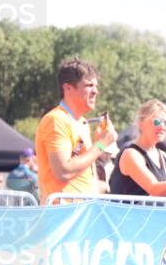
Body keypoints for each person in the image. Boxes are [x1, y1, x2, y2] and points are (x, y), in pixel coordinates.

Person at [35, 58, 116, 204]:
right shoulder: (56, 120)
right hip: (63, 212)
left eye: (96, 86)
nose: (95, 91)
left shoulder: (82, 123)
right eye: (89, 85)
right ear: (68, 88)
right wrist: (101, 145)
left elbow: (75, 159)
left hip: (83, 211)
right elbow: (63, 172)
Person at [109, 100, 166, 197]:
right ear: (141, 123)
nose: (162, 127)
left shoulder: (165, 157)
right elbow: (154, 189)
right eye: (157, 122)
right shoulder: (131, 155)